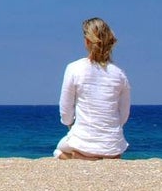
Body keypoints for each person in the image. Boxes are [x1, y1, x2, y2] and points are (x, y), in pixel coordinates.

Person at [53, 17, 131, 159]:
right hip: (113, 145)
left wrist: (70, 125)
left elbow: (65, 112)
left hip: (83, 142)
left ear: (87, 41)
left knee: (58, 150)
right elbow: (123, 115)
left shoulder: (74, 68)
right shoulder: (120, 74)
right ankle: (101, 156)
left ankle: (82, 157)